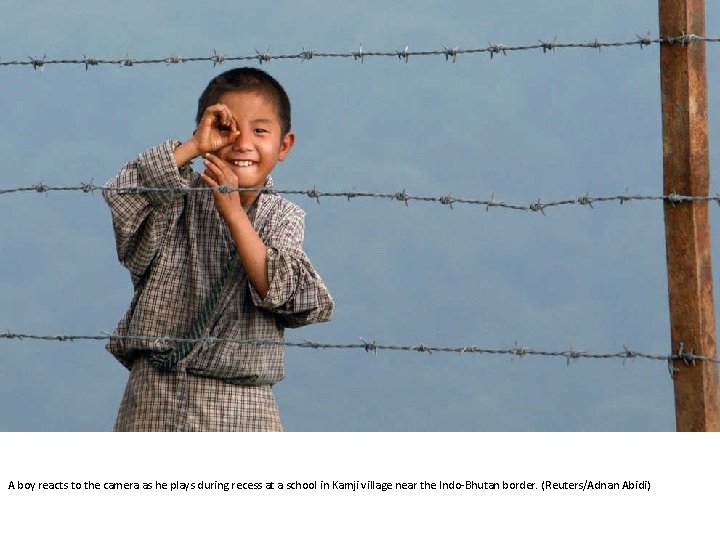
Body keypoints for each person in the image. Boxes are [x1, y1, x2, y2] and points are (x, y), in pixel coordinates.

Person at [103, 67, 333, 431]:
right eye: (227, 129)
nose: (243, 144)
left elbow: (282, 289)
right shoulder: (177, 203)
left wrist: (232, 211)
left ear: (284, 145)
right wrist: (192, 147)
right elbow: (124, 195)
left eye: (260, 131)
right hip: (153, 401)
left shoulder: (282, 216)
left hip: (240, 408)